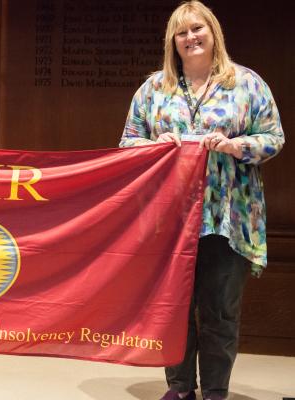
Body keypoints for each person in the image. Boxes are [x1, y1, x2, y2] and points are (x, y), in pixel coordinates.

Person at [119, 1, 284, 399]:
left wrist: (234, 144)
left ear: (214, 34)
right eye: (182, 32)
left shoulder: (246, 84)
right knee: (172, 306)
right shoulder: (154, 89)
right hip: (169, 219)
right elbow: (127, 143)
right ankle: (178, 387)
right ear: (172, 42)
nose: (191, 37)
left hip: (228, 217)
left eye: (198, 29)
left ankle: (214, 389)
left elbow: (274, 138)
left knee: (220, 310)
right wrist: (153, 145)